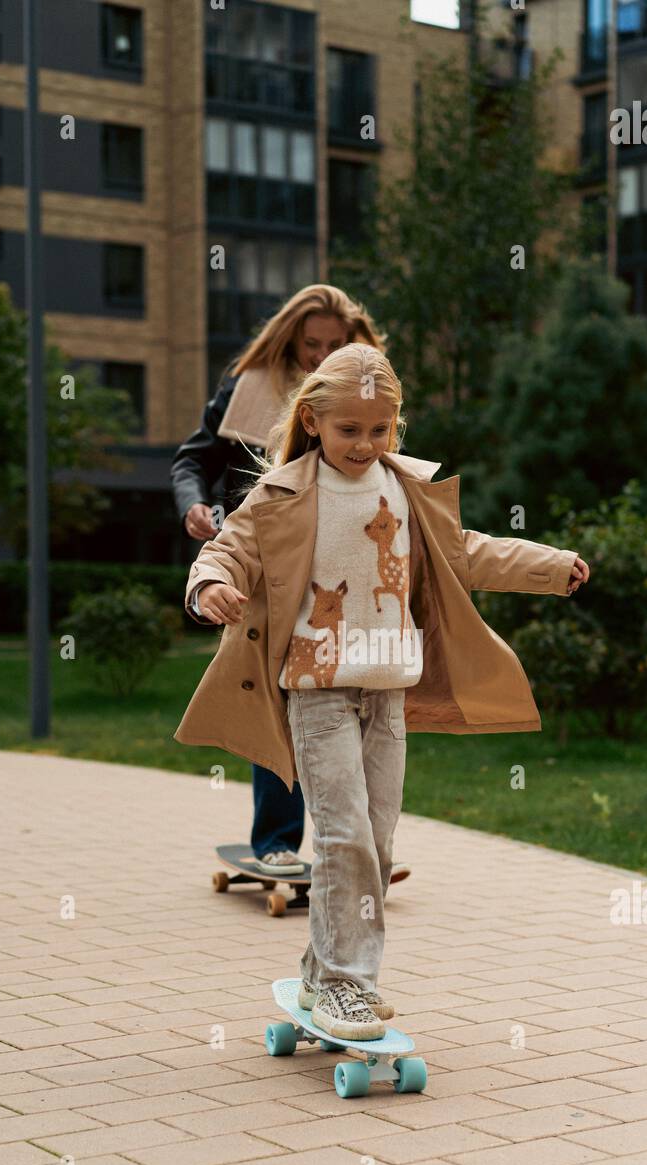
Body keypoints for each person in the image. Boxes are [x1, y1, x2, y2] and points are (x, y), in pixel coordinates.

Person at [174, 345, 590, 1042]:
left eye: (380, 430)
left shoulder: (404, 490)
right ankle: (346, 987)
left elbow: (469, 551)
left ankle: (318, 971)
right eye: (349, 431)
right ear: (313, 420)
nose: (365, 444)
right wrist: (209, 585)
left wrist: (551, 567)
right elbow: (225, 550)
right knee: (342, 837)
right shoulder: (282, 493)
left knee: (379, 841)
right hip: (318, 690)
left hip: (386, 691)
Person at [170, 285, 386, 876]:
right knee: (278, 696)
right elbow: (194, 460)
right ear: (291, 339)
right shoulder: (248, 388)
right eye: (311, 344)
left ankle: (352, 842)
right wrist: (194, 505)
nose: (321, 355)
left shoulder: (362, 393)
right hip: (264, 565)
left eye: (334, 344)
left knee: (353, 700)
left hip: (341, 565)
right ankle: (277, 842)